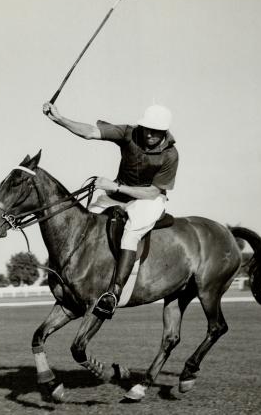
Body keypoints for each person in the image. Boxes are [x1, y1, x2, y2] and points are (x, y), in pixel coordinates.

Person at [43, 102, 179, 318]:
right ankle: (81, 280)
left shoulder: (170, 155)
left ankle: (114, 292)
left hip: (148, 200)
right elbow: (90, 132)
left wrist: (114, 186)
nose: (149, 135)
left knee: (131, 233)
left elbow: (153, 192)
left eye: (156, 131)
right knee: (86, 223)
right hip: (117, 196)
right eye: (147, 129)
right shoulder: (129, 133)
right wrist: (60, 119)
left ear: (164, 132)